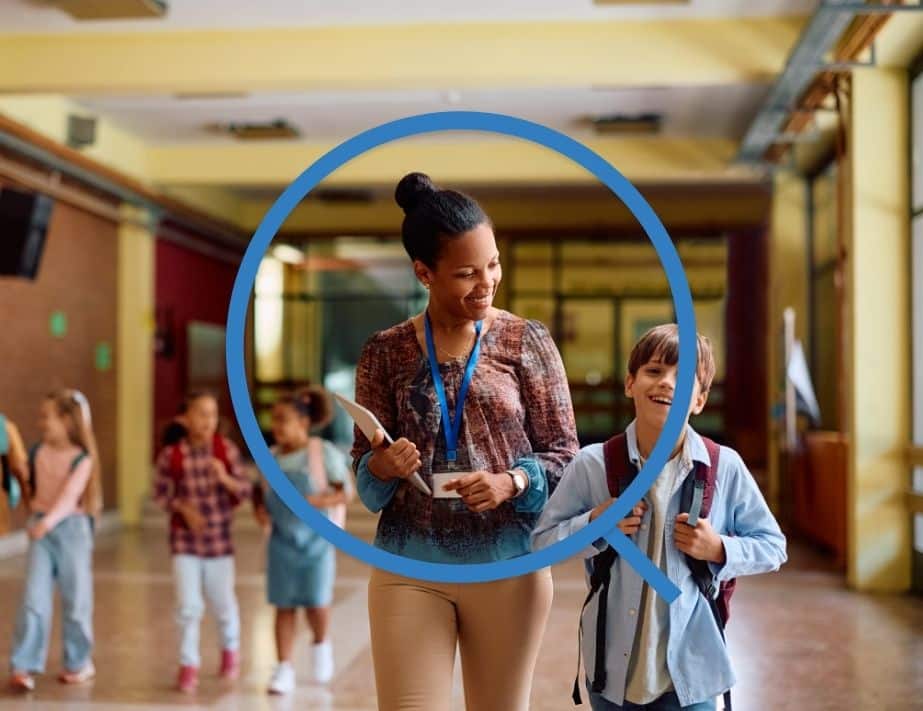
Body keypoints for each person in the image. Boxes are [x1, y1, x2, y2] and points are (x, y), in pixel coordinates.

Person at [350, 172, 579, 711]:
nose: (487, 283)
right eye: (467, 273)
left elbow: (567, 456)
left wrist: (513, 481)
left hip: (508, 564)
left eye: (494, 264)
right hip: (409, 565)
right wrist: (383, 466)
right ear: (424, 273)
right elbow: (364, 478)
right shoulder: (384, 352)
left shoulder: (528, 342)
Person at [532, 324, 788, 711]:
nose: (667, 383)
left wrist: (720, 548)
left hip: (693, 674)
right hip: (611, 674)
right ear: (630, 383)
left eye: (684, 378)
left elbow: (774, 547)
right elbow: (541, 543)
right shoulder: (592, 465)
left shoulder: (725, 467)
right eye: (654, 371)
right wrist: (595, 525)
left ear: (699, 400)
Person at [252, 386, 353, 694]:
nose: (277, 427)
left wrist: (315, 503)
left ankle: (321, 643)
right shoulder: (270, 457)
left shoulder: (322, 454)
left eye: (285, 420)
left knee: (316, 602)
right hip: (281, 543)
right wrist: (260, 514)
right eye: (274, 420)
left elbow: (345, 492)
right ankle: (283, 667)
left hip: (317, 544)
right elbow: (259, 494)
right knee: (283, 605)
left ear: (304, 423)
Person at [152, 390, 251, 694]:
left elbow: (244, 491)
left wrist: (225, 479)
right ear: (185, 418)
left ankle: (230, 652)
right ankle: (188, 664)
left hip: (219, 545)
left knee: (224, 604)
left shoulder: (226, 451)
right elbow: (160, 493)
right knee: (188, 606)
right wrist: (182, 508)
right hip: (185, 544)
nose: (207, 420)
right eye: (201, 414)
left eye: (212, 414)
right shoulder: (172, 455)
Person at [8, 390, 102, 692]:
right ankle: (24, 664)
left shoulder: (82, 459)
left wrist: (46, 523)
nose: (41, 422)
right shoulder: (37, 453)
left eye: (47, 416)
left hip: (71, 529)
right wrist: (21, 473)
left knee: (76, 600)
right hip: (42, 529)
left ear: (66, 421)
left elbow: (69, 497)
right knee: (34, 598)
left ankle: (78, 661)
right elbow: (32, 490)